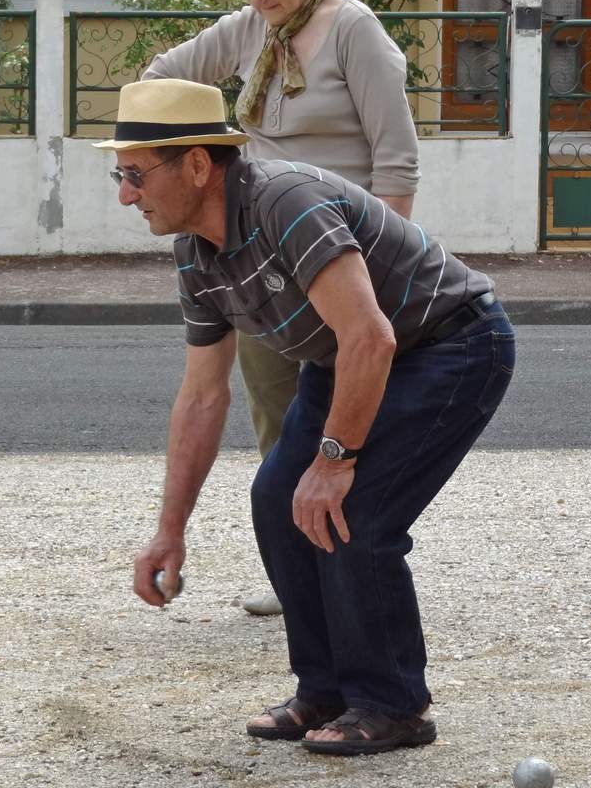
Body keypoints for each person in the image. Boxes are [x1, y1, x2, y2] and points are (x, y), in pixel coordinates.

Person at [93, 78, 515, 755]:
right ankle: (326, 691)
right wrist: (169, 531)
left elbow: (371, 336)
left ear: (197, 164)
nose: (125, 195)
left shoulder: (286, 203)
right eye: (121, 175)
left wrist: (335, 460)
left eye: (136, 175)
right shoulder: (196, 254)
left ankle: (395, 704)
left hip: (449, 344)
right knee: (276, 499)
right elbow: (202, 396)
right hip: (345, 358)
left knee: (355, 513)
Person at [141, 0, 421, 616]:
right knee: (278, 416)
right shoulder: (245, 29)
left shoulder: (354, 31)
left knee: (342, 417)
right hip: (261, 249)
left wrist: (381, 271)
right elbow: (157, 81)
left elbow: (396, 163)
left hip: (340, 251)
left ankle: (349, 567)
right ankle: (297, 570)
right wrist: (203, 152)